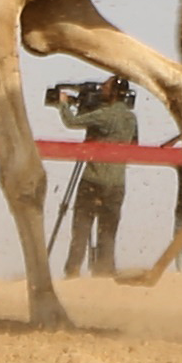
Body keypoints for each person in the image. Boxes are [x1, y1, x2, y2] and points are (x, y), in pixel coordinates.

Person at [48, 75, 138, 279]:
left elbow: (71, 122)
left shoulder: (104, 115)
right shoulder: (131, 118)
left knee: (81, 229)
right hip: (117, 183)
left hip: (93, 180)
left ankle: (72, 271)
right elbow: (134, 145)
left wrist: (63, 104)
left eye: (105, 88)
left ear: (114, 93)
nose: (101, 91)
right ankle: (104, 272)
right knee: (108, 232)